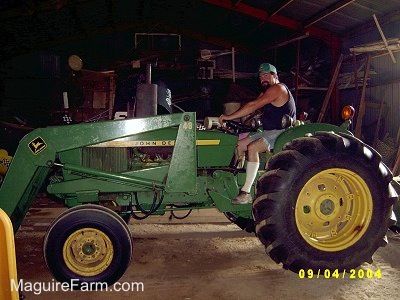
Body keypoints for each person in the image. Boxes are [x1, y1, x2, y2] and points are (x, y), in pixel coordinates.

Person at [219, 63, 296, 204]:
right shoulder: (267, 92)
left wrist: (228, 117)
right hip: (268, 132)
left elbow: (252, 106)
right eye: (261, 76)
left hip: (281, 132)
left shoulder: (278, 89)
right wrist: (241, 124)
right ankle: (234, 179)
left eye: (266, 75)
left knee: (253, 147)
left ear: (275, 76)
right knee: (238, 145)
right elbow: (253, 108)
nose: (263, 78)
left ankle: (246, 192)